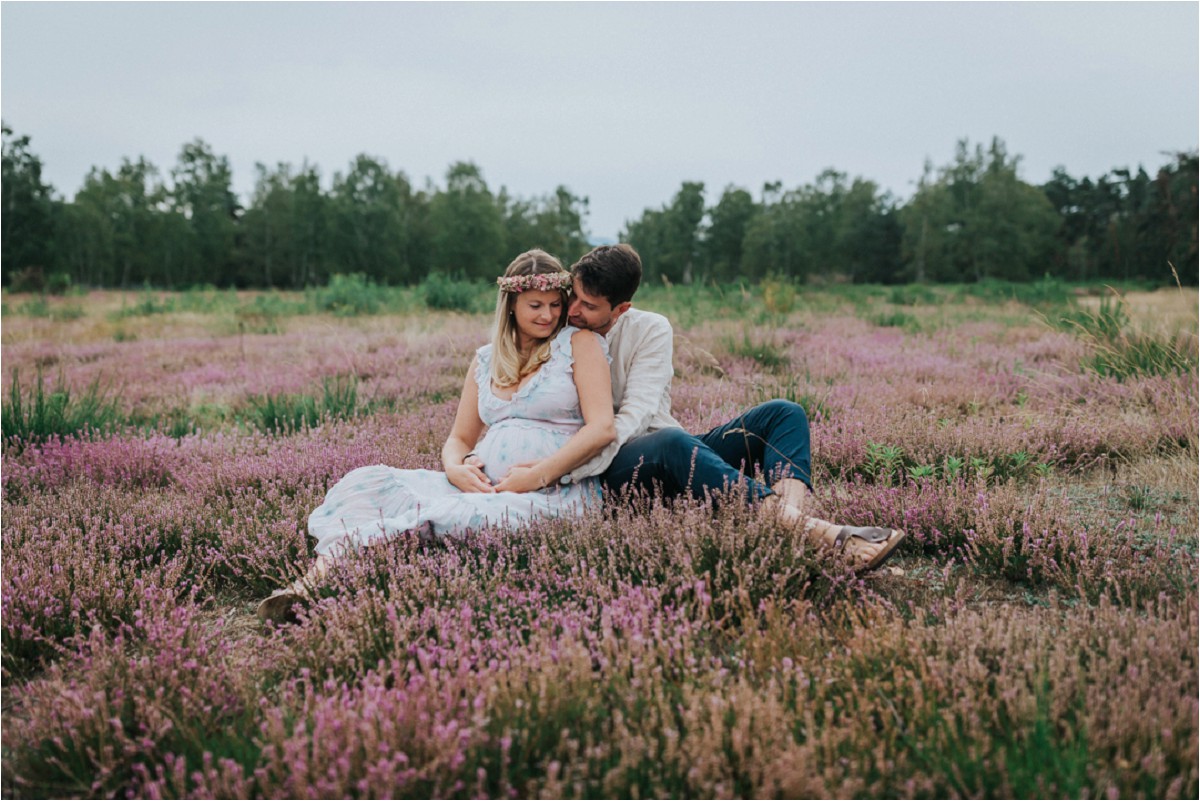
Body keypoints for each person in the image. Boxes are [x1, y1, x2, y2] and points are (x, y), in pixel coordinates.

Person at [472, 243, 905, 573]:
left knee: (783, 413)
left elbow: (633, 418)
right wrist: (563, 466)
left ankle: (791, 528)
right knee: (673, 444)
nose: (571, 311)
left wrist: (564, 466)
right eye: (574, 298)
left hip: (637, 443)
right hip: (613, 462)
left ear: (621, 309)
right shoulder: (563, 330)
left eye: (588, 306)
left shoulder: (649, 330)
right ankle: (820, 538)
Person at [257, 249, 615, 623]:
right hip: (480, 485)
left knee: (441, 514)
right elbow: (459, 439)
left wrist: (537, 475)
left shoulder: (579, 345)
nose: (548, 315)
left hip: (553, 491)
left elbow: (601, 428)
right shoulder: (486, 359)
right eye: (535, 305)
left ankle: (322, 587)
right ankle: (304, 588)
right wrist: (455, 469)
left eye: (556, 304)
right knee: (366, 484)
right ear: (510, 305)